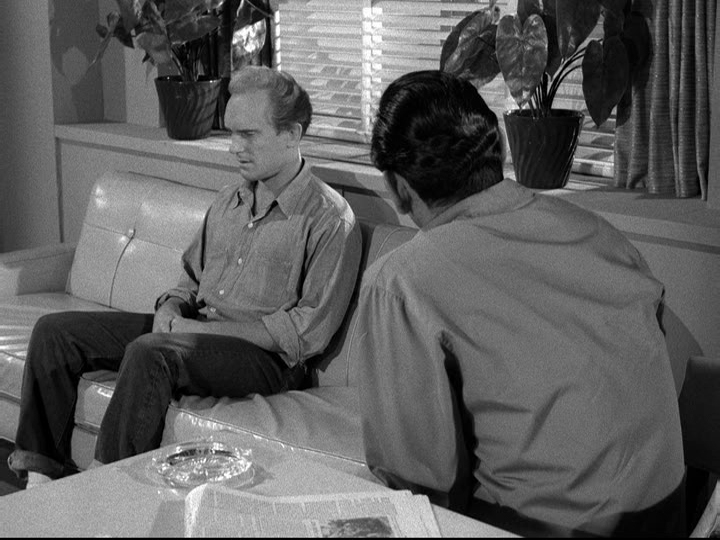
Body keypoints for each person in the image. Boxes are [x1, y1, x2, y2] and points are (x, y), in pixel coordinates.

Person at [353, 70, 685, 537]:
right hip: (670, 515)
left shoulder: (400, 281)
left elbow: (418, 484)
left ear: (398, 188)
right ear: (501, 153)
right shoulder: (601, 233)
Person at [9, 66, 362, 488]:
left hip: (266, 361)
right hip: (193, 333)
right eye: (231, 132)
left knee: (151, 352)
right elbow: (189, 280)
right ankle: (39, 479)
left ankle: (107, 488)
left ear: (291, 134)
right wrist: (172, 307)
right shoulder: (229, 201)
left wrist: (198, 331)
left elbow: (306, 333)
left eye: (248, 134)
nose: (234, 147)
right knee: (55, 332)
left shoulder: (328, 218)